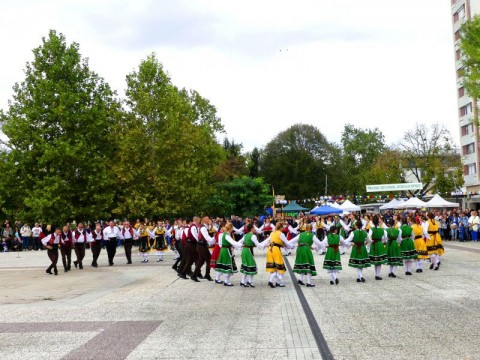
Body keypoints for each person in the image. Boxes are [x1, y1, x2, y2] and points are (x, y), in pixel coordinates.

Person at [263, 222, 292, 288]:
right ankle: (271, 281)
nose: (283, 228)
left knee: (273, 267)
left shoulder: (272, 233)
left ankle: (278, 282)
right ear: (281, 227)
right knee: (279, 266)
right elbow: (287, 242)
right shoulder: (281, 234)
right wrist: (292, 246)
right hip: (276, 250)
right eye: (283, 227)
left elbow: (270, 241)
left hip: (270, 250)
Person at [239, 223, 263, 287]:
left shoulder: (246, 235)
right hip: (248, 251)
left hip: (244, 251)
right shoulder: (253, 236)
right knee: (252, 266)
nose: (255, 229)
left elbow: (240, 242)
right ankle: (250, 281)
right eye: (254, 228)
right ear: (251, 229)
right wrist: (265, 245)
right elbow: (258, 244)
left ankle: (243, 281)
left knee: (246, 266)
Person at [192, 216, 215, 282]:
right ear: (204, 220)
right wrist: (214, 239)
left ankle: (196, 275)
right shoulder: (203, 228)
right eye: (208, 219)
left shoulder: (204, 226)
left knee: (201, 260)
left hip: (202, 245)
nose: (209, 220)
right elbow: (207, 238)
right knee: (208, 259)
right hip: (201, 245)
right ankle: (206, 275)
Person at [368, 215, 388, 280]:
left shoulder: (371, 229)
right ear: (378, 222)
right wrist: (382, 241)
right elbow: (386, 238)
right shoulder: (382, 229)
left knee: (375, 260)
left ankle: (376, 274)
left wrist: (371, 241)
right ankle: (378, 275)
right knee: (379, 260)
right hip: (379, 244)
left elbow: (368, 237)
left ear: (373, 222)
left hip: (374, 244)